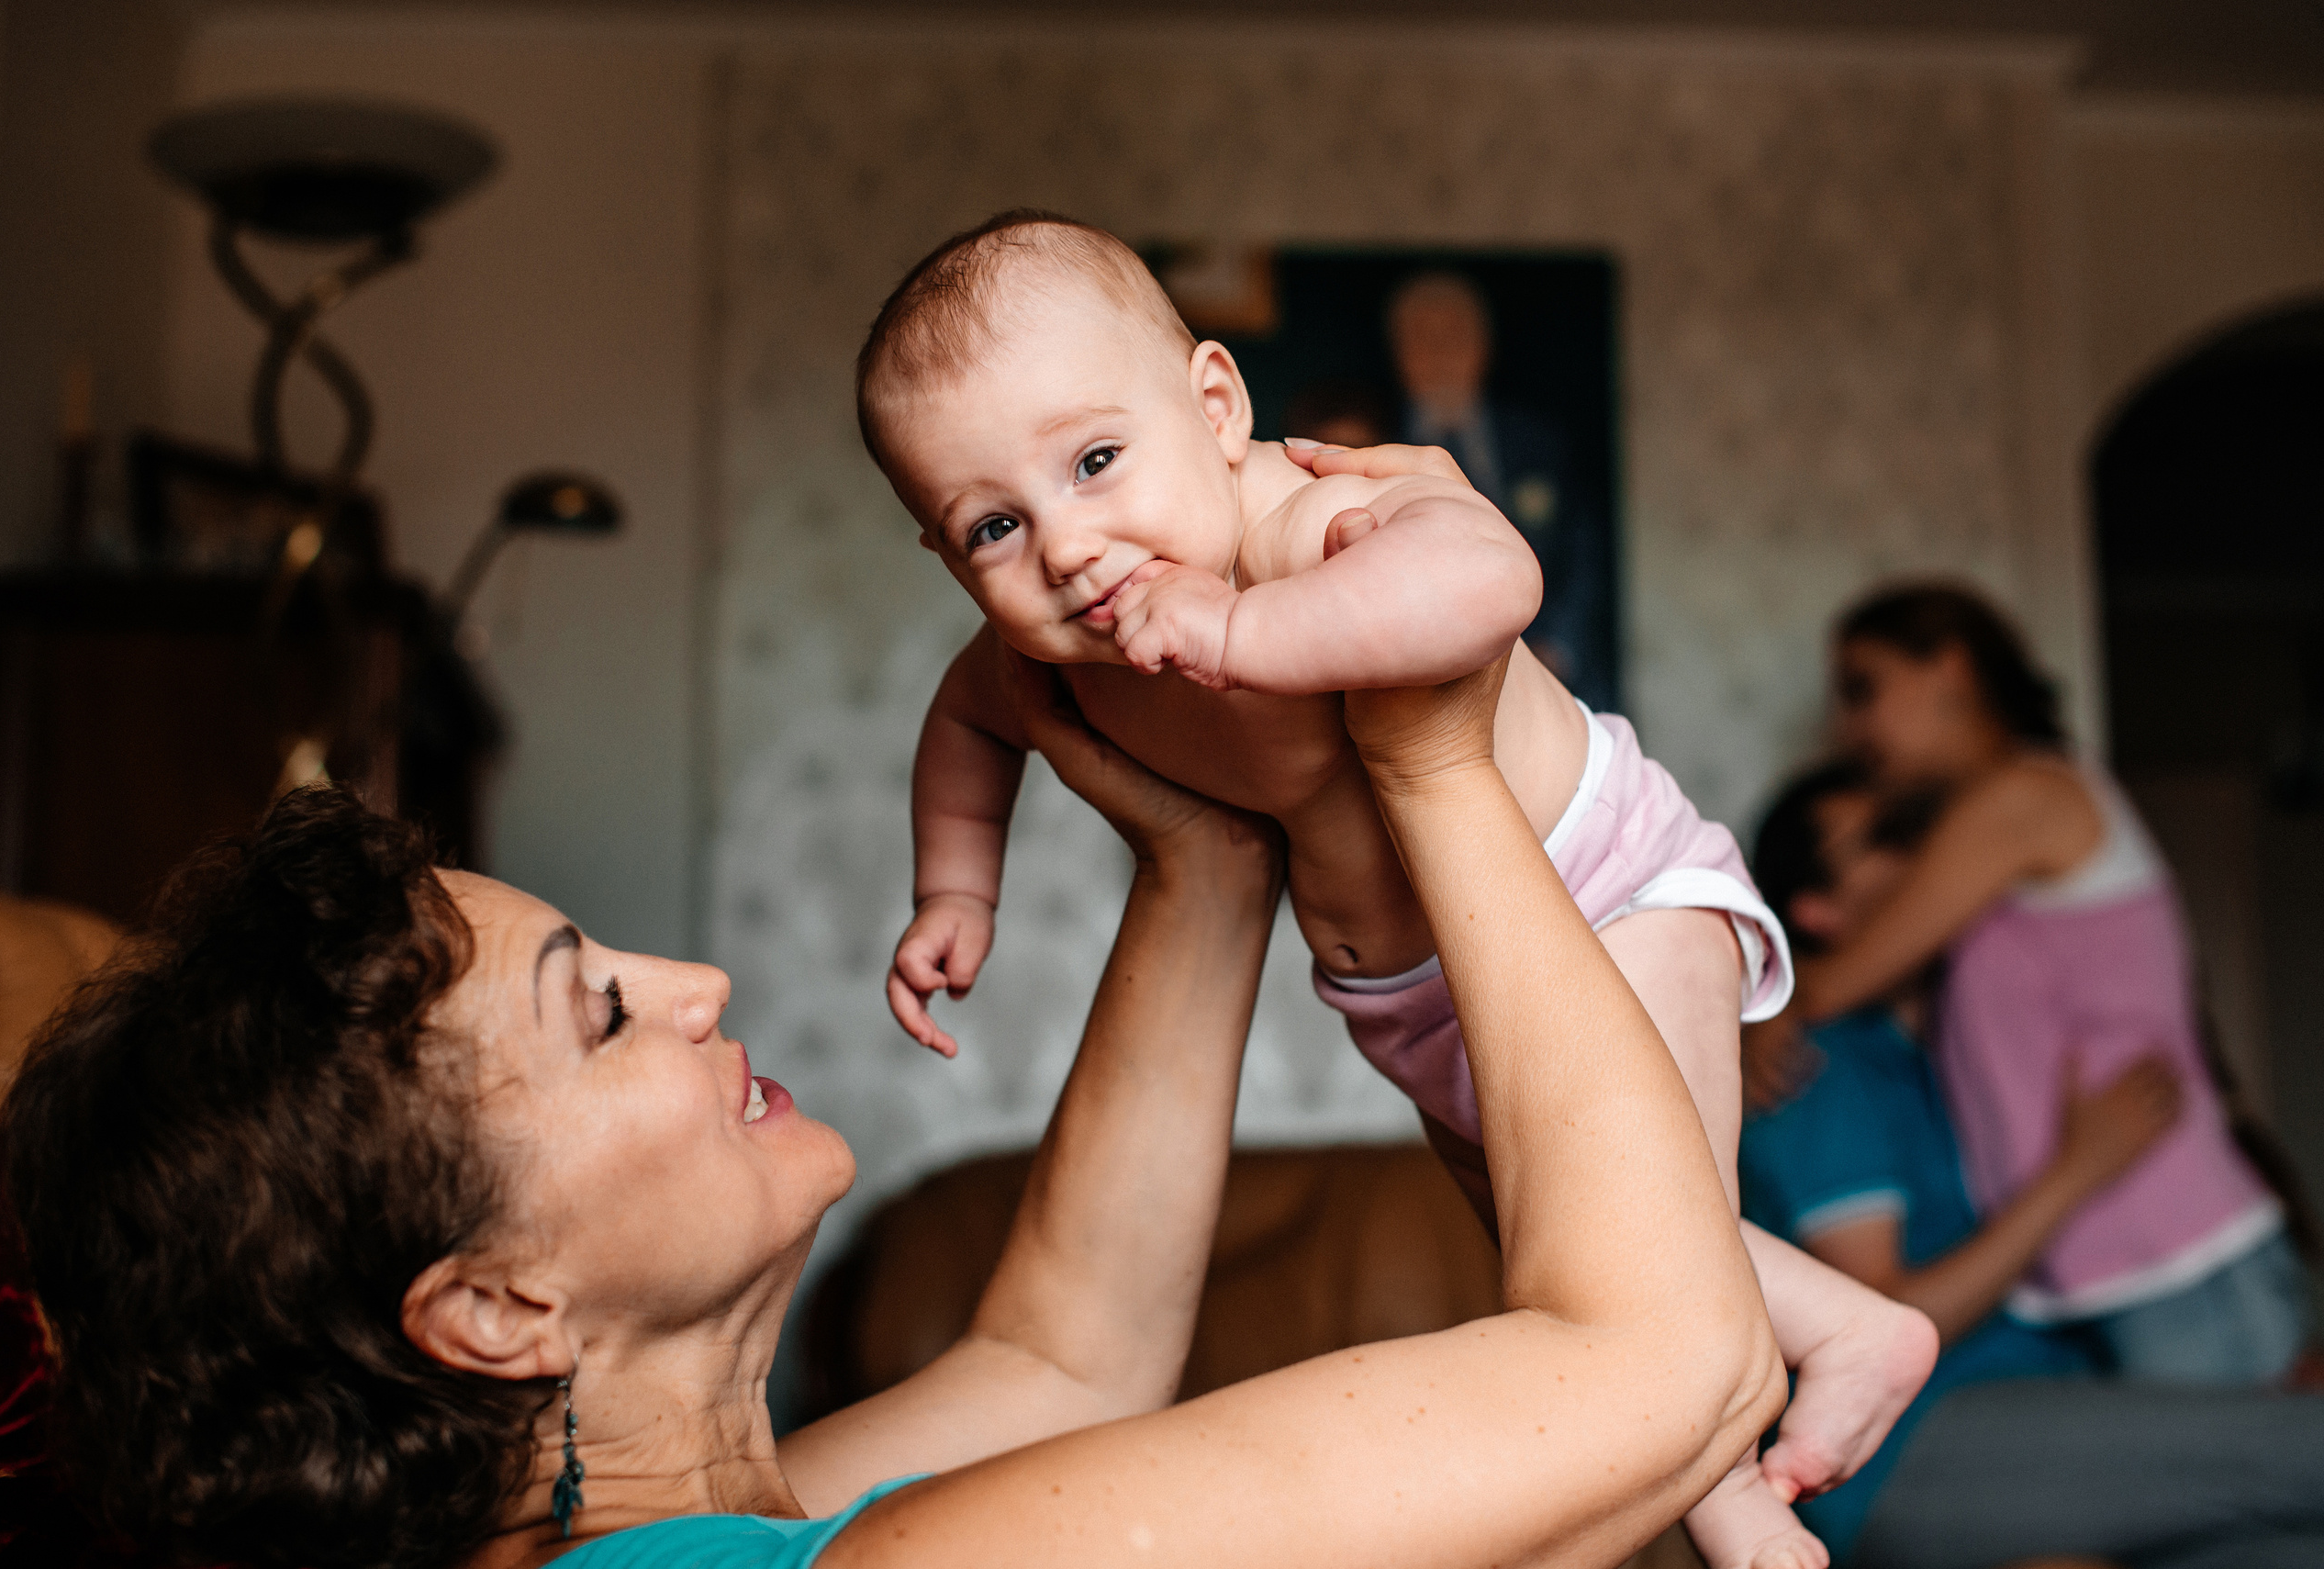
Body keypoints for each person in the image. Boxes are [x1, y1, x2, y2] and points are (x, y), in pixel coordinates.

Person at [0, 654, 1782, 1569]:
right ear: (492, 1300)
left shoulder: (656, 1527)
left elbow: (1063, 1356)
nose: (694, 982)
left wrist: (1204, 839)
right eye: (602, 1009)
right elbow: (1662, 1350)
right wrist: (1425, 740)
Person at [861, 209, 1934, 1569]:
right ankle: (1836, 1335)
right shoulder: (1042, 657)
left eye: (1095, 460)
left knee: (1647, 1249)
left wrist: (1248, 630)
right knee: (1558, 1231)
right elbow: (965, 730)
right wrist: (957, 891)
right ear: (948, 557)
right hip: (1413, 1000)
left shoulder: (1302, 522)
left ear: (1214, 404)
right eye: (994, 526)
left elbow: (1490, 580)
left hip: (1607, 895)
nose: (1068, 545)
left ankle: (1744, 1496)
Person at [1739, 760, 2324, 1569]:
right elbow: (1884, 1321)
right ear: (1818, 910)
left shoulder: (1948, 1043)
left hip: (2030, 1406)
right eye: (1890, 841)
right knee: (2303, 1450)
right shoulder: (1824, 1069)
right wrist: (2077, 1172)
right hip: (1906, 1442)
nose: (1936, 854)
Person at [1748, 583, 2307, 1383]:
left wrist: (1766, 1009)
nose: (1852, 728)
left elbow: (1839, 981)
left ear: (1951, 668)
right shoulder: (1994, 838)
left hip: (2177, 1246)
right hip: (2119, 1256)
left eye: (1863, 689)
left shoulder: (2025, 798)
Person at [1386, 271, 1615, 709]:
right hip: (1416, 679)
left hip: (1549, 667)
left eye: (1454, 335)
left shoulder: (1540, 443)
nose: (1440, 353)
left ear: (1484, 346)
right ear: (1399, 352)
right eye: (1421, 338)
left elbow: (1584, 556)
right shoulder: (1373, 438)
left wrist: (1557, 647)